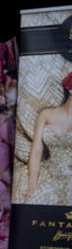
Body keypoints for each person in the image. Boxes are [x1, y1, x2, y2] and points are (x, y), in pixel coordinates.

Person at [24, 71, 72, 203]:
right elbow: (36, 152)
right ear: (70, 88)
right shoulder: (46, 114)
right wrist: (32, 184)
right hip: (49, 172)